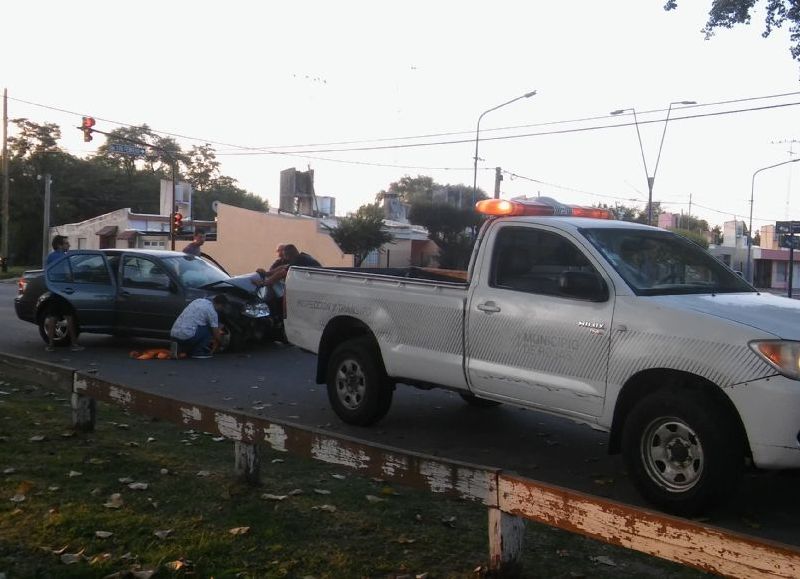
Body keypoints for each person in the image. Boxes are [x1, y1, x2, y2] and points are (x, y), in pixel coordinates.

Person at [44, 235, 84, 352]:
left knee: (52, 318)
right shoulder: (64, 258)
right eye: (66, 243)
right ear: (59, 245)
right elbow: (68, 274)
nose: (69, 245)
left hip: (53, 291)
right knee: (69, 317)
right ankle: (74, 344)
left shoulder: (50, 257)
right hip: (64, 292)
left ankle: (50, 345)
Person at [169, 294, 228, 359]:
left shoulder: (198, 300)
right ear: (220, 305)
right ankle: (197, 352)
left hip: (174, 334)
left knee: (194, 326)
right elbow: (216, 333)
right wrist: (222, 343)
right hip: (187, 337)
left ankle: (181, 347)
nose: (222, 310)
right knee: (209, 329)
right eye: (222, 307)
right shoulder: (212, 312)